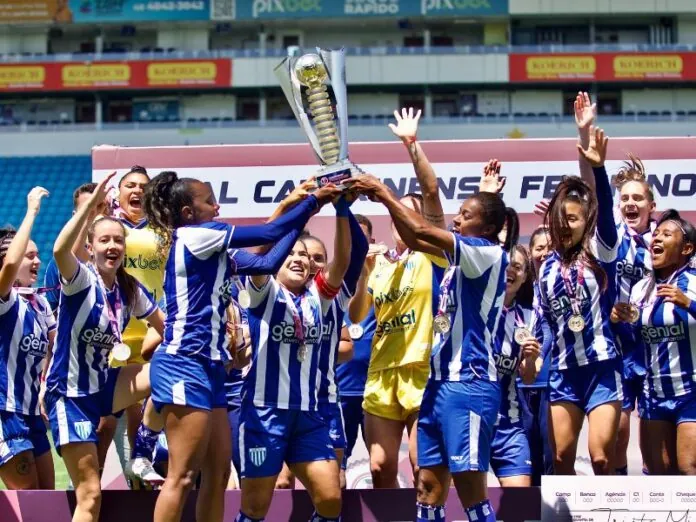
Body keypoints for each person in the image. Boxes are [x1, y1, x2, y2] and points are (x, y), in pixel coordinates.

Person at [143, 171, 337, 522]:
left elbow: (265, 262)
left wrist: (304, 209)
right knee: (183, 476)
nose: (217, 206)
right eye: (208, 201)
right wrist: (314, 202)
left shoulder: (214, 248)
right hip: (184, 362)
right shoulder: (197, 234)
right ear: (188, 212)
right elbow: (266, 234)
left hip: (211, 367)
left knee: (216, 476)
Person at [348, 171, 516, 522]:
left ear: (487, 229)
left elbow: (422, 230)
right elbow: (414, 234)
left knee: (472, 496)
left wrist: (382, 190)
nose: (457, 219)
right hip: (437, 385)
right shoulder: (453, 261)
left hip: (469, 382)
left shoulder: (485, 252)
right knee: (426, 490)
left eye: (466, 216)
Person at [44, 172, 166, 522]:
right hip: (70, 396)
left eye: (118, 241)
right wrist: (92, 206)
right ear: (91, 247)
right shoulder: (81, 279)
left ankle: (143, 450)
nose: (112, 246)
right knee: (91, 493)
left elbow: (168, 328)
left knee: (171, 367)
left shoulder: (128, 288)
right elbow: (58, 249)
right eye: (104, 241)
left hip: (105, 386)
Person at [234, 196, 355, 522]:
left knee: (331, 499)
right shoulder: (264, 291)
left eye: (305, 255)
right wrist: (301, 205)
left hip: (308, 417)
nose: (300, 258)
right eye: (292, 253)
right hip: (263, 414)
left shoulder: (319, 297)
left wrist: (342, 208)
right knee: (256, 507)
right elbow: (257, 254)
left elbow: (341, 263)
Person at [348, 108, 448, 489]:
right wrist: (362, 271)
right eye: (397, 214)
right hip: (382, 373)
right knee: (379, 468)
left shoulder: (433, 254)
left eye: (410, 213)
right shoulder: (382, 264)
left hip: (422, 369)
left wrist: (412, 145)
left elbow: (432, 192)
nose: (401, 220)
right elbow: (357, 316)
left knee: (425, 466)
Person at [574, 91, 656, 475]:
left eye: (638, 197)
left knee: (663, 455)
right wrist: (586, 132)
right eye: (625, 198)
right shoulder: (610, 236)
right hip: (615, 351)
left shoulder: (665, 242)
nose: (630, 203)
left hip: (657, 350)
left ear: (651, 205)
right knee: (616, 441)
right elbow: (592, 192)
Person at [539, 126, 622, 476]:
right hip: (563, 371)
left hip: (602, 367)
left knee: (601, 457)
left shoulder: (599, 251)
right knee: (561, 459)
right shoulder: (544, 267)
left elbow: (605, 220)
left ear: (585, 220)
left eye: (572, 218)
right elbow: (543, 323)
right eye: (560, 219)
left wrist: (598, 169)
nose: (564, 225)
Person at [612, 210, 696, 475]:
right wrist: (619, 321)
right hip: (654, 394)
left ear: (687, 248)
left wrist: (690, 304)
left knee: (689, 469)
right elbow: (635, 341)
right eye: (656, 234)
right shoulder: (640, 289)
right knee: (659, 475)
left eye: (666, 234)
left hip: (691, 391)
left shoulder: (694, 282)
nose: (656, 238)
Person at [0, 187, 55, 490]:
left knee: (48, 500)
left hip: (32, 413)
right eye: (28, 255)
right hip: (4, 412)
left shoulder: (40, 303)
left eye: (37, 255)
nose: (36, 261)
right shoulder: (4, 299)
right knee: (29, 501)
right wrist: (32, 211)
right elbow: (9, 266)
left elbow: (56, 346)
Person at [490, 245, 541, 487]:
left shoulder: (529, 318)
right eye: (506, 265)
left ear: (524, 278)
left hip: (509, 425)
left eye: (518, 267)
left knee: (519, 501)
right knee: (466, 503)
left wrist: (530, 359)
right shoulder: (476, 308)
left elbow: (529, 378)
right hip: (471, 420)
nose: (510, 270)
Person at [336, 214, 377, 483]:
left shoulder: (386, 277)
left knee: (380, 468)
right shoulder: (330, 279)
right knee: (336, 467)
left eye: (363, 240)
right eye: (352, 240)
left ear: (372, 242)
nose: (358, 246)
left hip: (376, 391)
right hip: (339, 391)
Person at [517, 227, 554, 485]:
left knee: (552, 458)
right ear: (530, 253)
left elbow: (551, 331)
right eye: (539, 248)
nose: (545, 253)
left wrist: (541, 358)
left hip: (550, 383)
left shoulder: (561, 285)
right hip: (519, 386)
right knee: (524, 459)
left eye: (550, 247)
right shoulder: (521, 288)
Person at [44, 182, 106, 312]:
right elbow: (52, 312)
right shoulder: (58, 263)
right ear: (74, 216)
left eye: (100, 208)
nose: (95, 214)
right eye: (87, 210)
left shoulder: (124, 256)